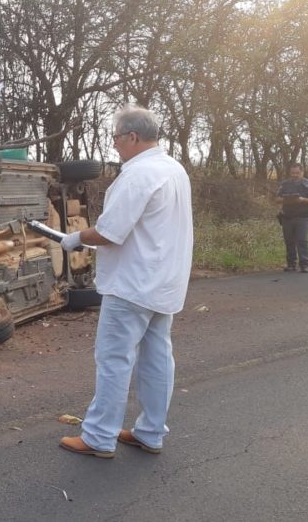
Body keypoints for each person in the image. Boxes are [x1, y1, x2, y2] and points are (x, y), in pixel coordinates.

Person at [58, 105, 193, 458]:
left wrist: (74, 238)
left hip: (133, 284)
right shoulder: (173, 168)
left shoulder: (138, 174)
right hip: (165, 281)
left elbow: (109, 232)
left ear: (133, 136)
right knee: (157, 358)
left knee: (114, 359)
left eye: (116, 137)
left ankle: (99, 436)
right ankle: (151, 432)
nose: (114, 145)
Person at [276, 163, 308, 273]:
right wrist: (286, 199)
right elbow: (277, 199)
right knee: (289, 241)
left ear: (302, 172)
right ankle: (291, 264)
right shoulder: (284, 184)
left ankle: (304, 265)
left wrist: (302, 200)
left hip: (302, 216)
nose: (295, 175)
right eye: (292, 173)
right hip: (287, 216)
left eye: (297, 173)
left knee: (302, 240)